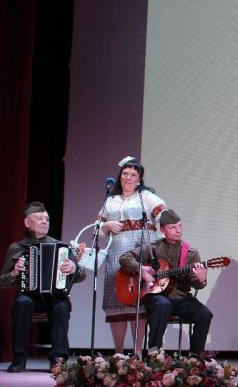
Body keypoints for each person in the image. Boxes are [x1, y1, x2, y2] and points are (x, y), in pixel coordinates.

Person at [1, 202, 85, 372]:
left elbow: (81, 275)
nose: (45, 222)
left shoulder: (61, 247)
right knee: (22, 303)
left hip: (54, 296)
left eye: (47, 219)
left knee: (61, 306)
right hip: (28, 295)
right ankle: (19, 358)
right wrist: (14, 273)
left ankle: (58, 360)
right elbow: (2, 281)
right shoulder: (17, 248)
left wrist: (73, 268)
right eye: (39, 218)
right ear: (27, 223)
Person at [118, 209, 212, 356]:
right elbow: (124, 258)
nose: (178, 230)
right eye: (173, 227)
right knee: (163, 304)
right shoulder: (153, 248)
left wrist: (202, 278)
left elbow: (197, 285)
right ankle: (154, 353)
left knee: (205, 314)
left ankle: (195, 356)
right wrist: (141, 269)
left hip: (181, 299)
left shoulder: (190, 253)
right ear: (162, 230)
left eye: (180, 226)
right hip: (157, 298)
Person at [99, 156, 167, 355]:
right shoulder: (111, 201)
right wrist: (106, 225)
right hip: (116, 254)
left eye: (133, 174)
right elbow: (98, 230)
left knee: (139, 300)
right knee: (117, 301)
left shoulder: (146, 197)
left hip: (140, 252)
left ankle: (137, 352)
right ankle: (119, 352)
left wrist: (159, 241)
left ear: (139, 179)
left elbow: (165, 216)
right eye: (125, 173)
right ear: (120, 176)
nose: (128, 177)